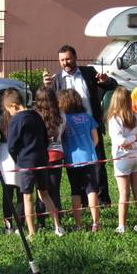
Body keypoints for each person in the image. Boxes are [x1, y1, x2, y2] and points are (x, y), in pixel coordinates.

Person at [44, 45, 117, 206]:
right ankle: (83, 199)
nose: (65, 63)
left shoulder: (89, 73)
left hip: (91, 126)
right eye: (62, 60)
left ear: (75, 57)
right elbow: (47, 101)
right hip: (68, 131)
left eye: (68, 59)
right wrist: (46, 86)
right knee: (75, 165)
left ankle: (102, 199)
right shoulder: (56, 81)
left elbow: (112, 86)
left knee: (97, 163)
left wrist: (107, 81)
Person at [5, 88, 65, 237]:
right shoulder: (37, 116)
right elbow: (45, 138)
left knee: (27, 196)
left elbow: (11, 144)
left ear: (13, 105)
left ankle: (31, 232)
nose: (9, 113)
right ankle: (58, 227)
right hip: (42, 159)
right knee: (44, 193)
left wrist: (18, 159)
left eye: (8, 110)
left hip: (26, 162)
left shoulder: (16, 120)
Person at [58, 88, 101, 231]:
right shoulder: (87, 116)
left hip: (72, 159)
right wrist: (89, 148)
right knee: (92, 189)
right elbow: (96, 140)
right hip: (89, 158)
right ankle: (95, 223)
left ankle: (78, 224)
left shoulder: (63, 119)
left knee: (75, 190)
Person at [107, 87, 137, 233]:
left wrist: (130, 142)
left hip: (123, 158)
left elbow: (120, 141)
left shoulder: (114, 119)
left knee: (124, 193)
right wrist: (135, 140)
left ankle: (122, 226)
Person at [34, 86, 66, 228]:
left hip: (41, 156)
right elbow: (62, 132)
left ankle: (41, 222)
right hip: (57, 153)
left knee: (41, 191)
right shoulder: (61, 115)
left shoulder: (35, 116)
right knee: (54, 190)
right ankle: (57, 221)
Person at [0, 109, 23, 234]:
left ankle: (8, 227)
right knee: (21, 193)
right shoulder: (20, 118)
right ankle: (19, 226)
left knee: (7, 194)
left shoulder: (0, 118)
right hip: (19, 151)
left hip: (5, 153)